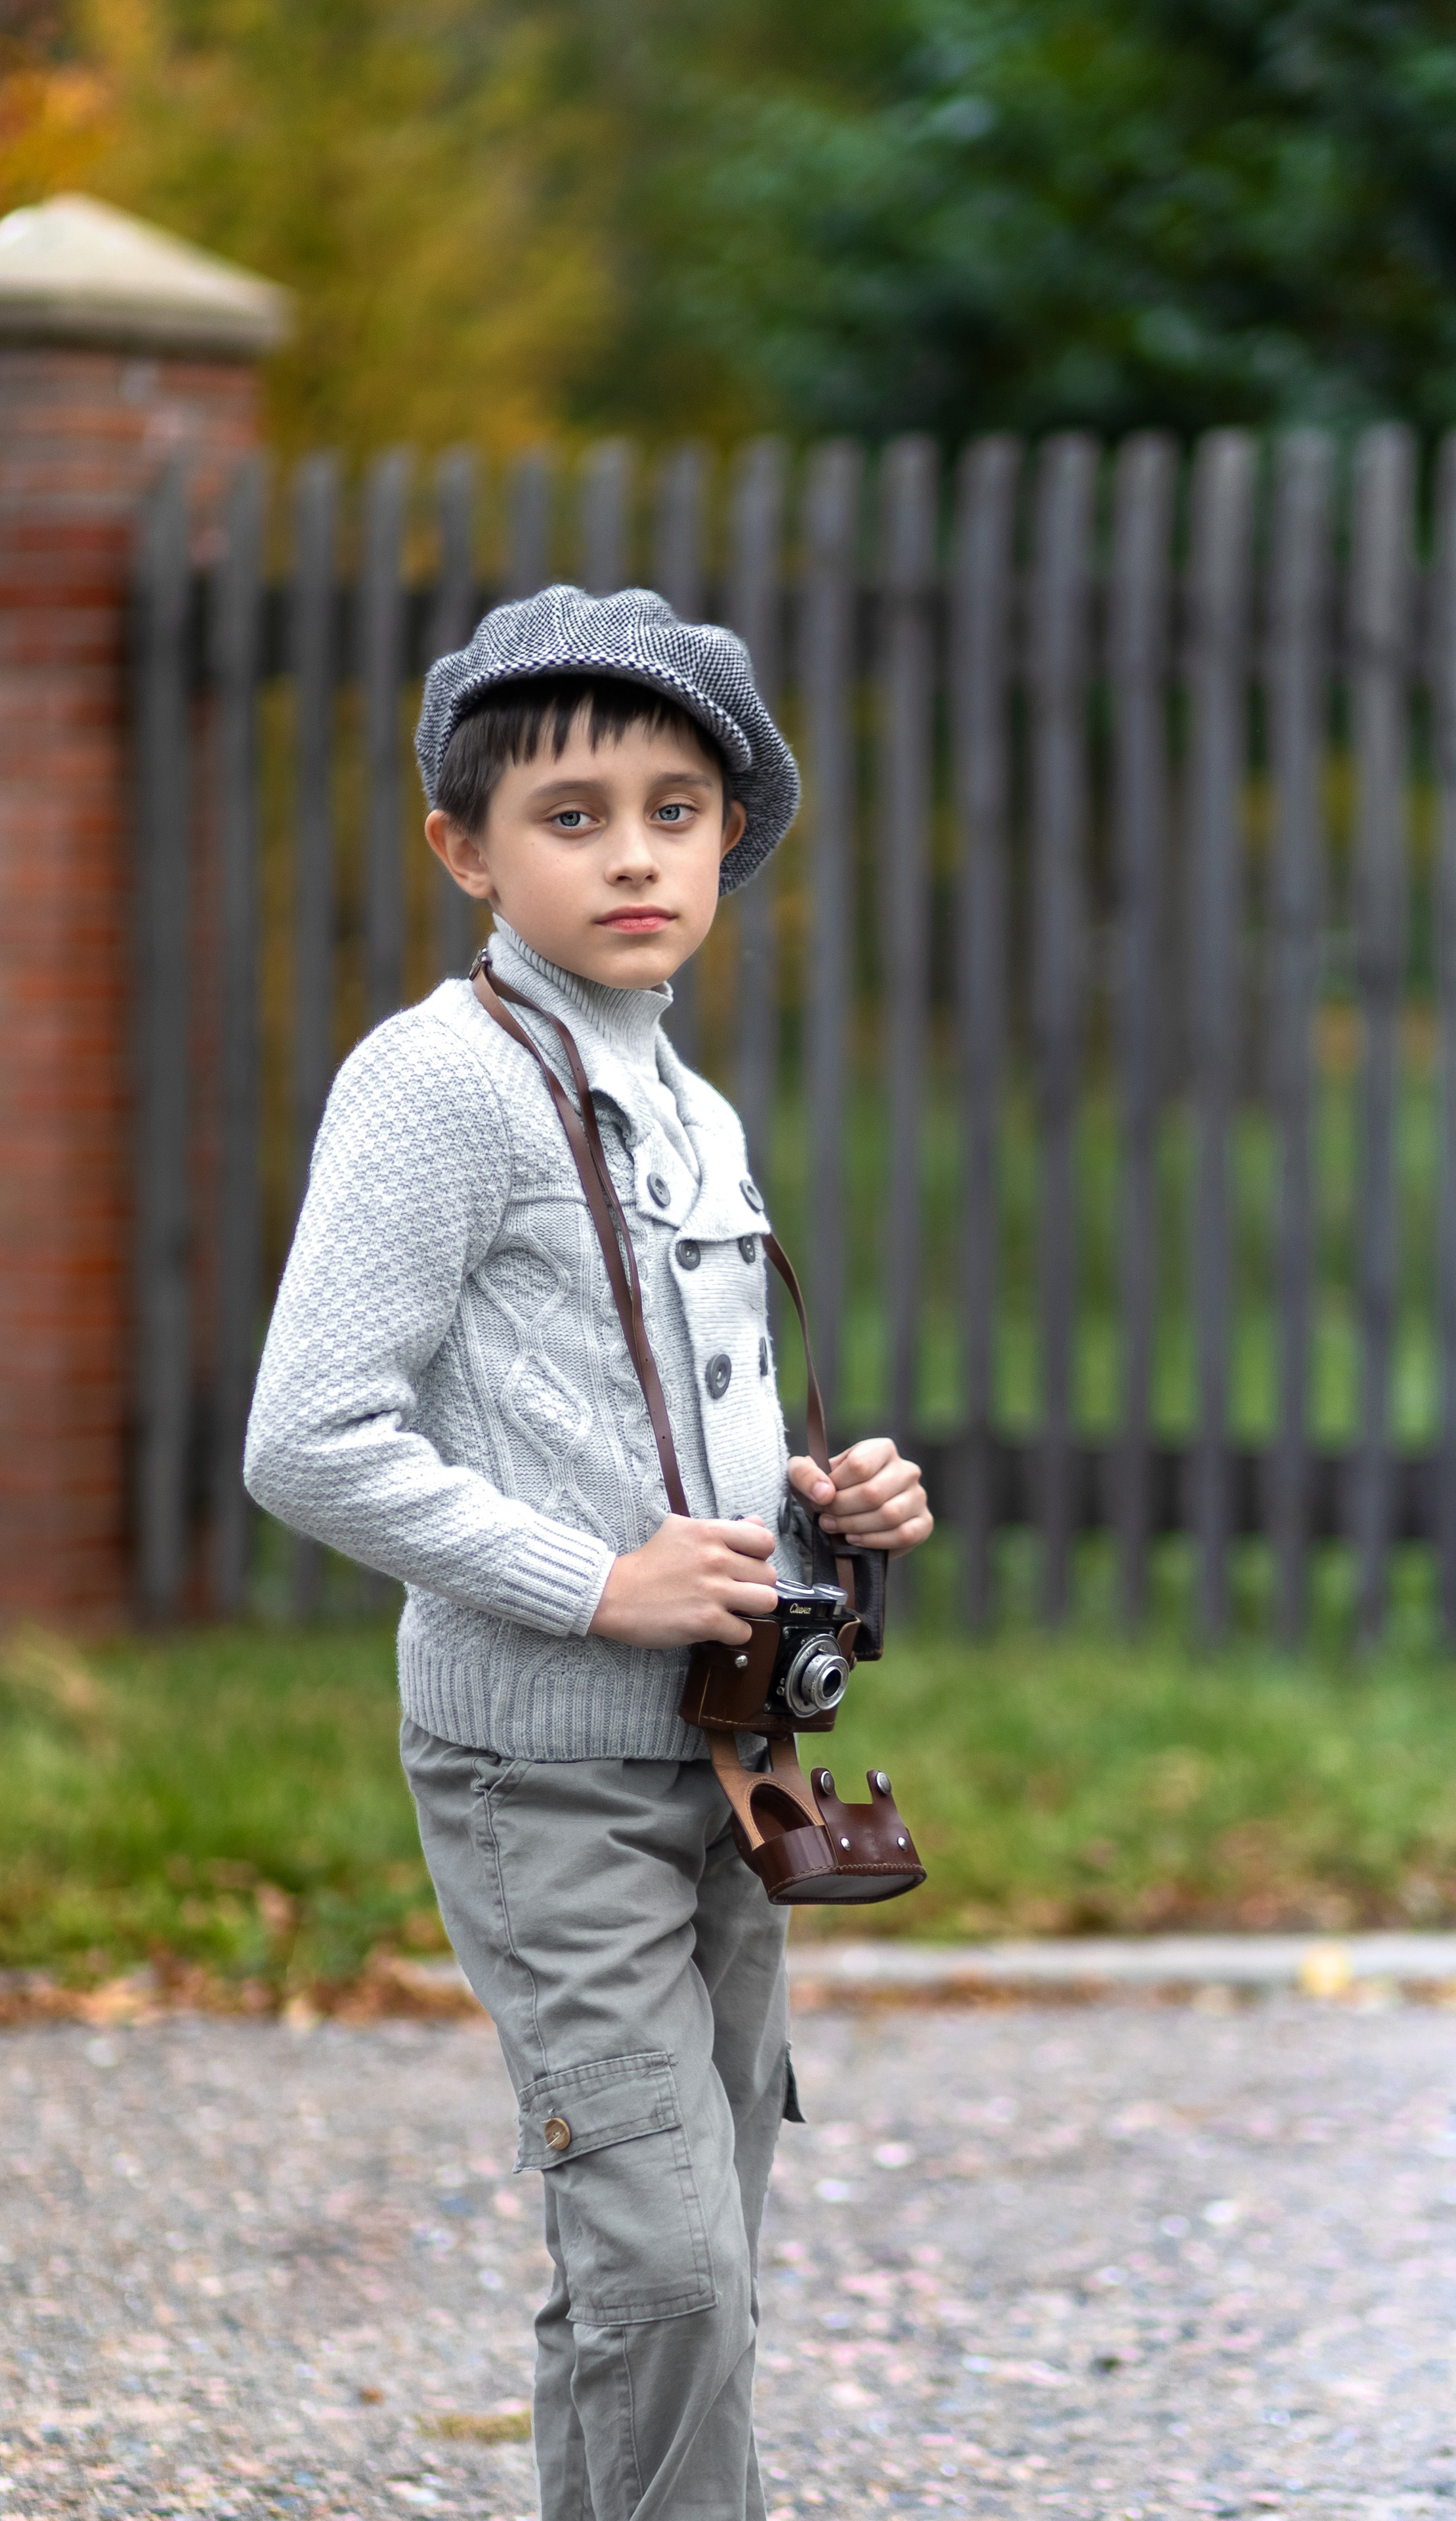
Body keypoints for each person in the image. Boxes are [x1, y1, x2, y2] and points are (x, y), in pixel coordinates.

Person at [244, 583, 933, 2521]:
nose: (634, 853)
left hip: (728, 1765)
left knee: (681, 2271)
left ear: (732, 839)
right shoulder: (436, 1083)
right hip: (544, 1767)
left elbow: (641, 1434)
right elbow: (305, 1442)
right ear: (464, 846)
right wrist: (594, 1583)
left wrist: (825, 1508)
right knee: (667, 2270)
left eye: (677, 808)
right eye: (572, 814)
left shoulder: (689, 1102)